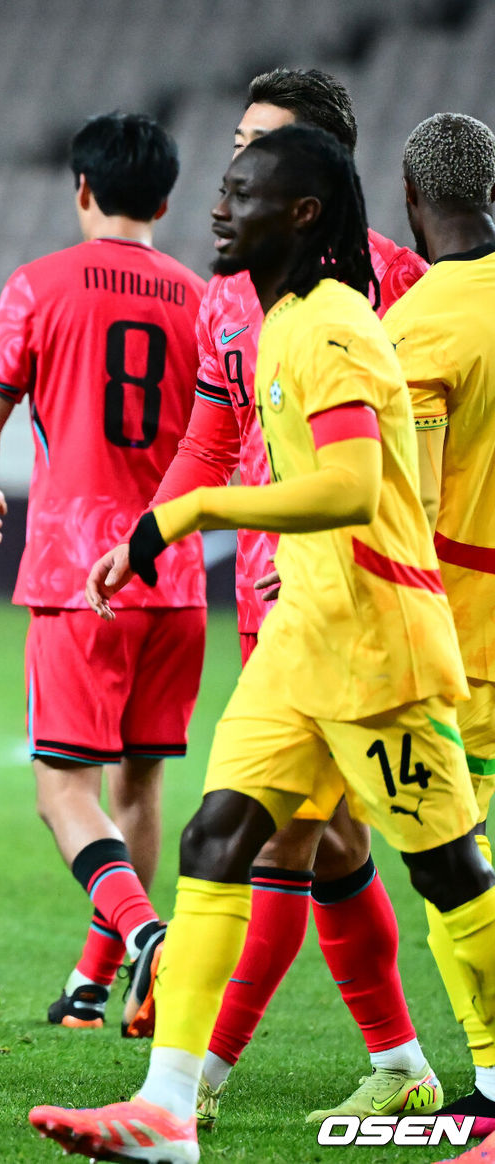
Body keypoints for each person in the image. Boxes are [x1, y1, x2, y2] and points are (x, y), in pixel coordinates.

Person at [29, 123, 495, 1164]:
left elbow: (351, 485)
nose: (216, 208)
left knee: (449, 872)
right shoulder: (274, 318)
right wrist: (154, 523)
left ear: (302, 216)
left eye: (241, 192)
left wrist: (189, 518)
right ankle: (165, 1109)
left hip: (376, 643)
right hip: (303, 638)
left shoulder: (332, 325)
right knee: (215, 840)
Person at [136, 68, 435, 1127]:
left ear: (313, 178)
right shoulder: (229, 293)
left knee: (283, 839)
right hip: (276, 599)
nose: (233, 169)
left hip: (369, 602)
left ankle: (192, 1081)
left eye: (258, 148)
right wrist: (152, 537)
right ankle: (400, 1062)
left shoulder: (396, 286)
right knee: (331, 843)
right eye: (234, 144)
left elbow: (411, 457)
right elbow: (215, 434)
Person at [0, 112, 206, 1031]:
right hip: (177, 576)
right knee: (139, 789)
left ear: (81, 188)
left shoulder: (37, 285)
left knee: (62, 791)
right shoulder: (203, 299)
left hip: (78, 576)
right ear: (166, 197)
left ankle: (150, 939)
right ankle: (94, 984)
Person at [381, 111, 495, 1147]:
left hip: (463, 647)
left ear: (413, 201)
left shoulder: (422, 325)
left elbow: (406, 503)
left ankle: (494, 1080)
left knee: (448, 865)